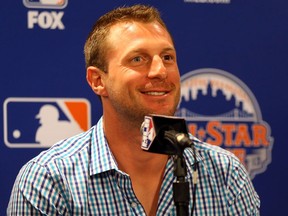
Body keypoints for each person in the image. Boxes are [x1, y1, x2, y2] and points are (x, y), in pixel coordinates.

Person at [7, 4, 260, 215]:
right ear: (98, 81)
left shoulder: (225, 173)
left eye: (168, 57)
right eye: (138, 59)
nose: (160, 71)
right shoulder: (48, 180)